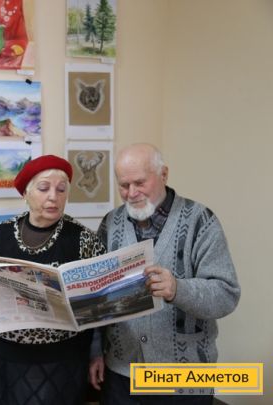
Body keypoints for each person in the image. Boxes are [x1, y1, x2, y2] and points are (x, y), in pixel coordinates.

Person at [89, 143, 241, 405]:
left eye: (140, 183)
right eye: (124, 185)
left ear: (164, 174)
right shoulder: (110, 223)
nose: (131, 193)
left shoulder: (201, 221)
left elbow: (226, 295)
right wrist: (95, 351)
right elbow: (97, 297)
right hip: (121, 375)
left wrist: (178, 289)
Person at [0, 155, 106, 405]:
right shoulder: (0, 234)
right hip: (8, 358)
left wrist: (97, 353)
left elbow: (101, 307)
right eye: (44, 188)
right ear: (25, 193)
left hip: (63, 361)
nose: (53, 197)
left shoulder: (84, 239)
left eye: (61, 190)